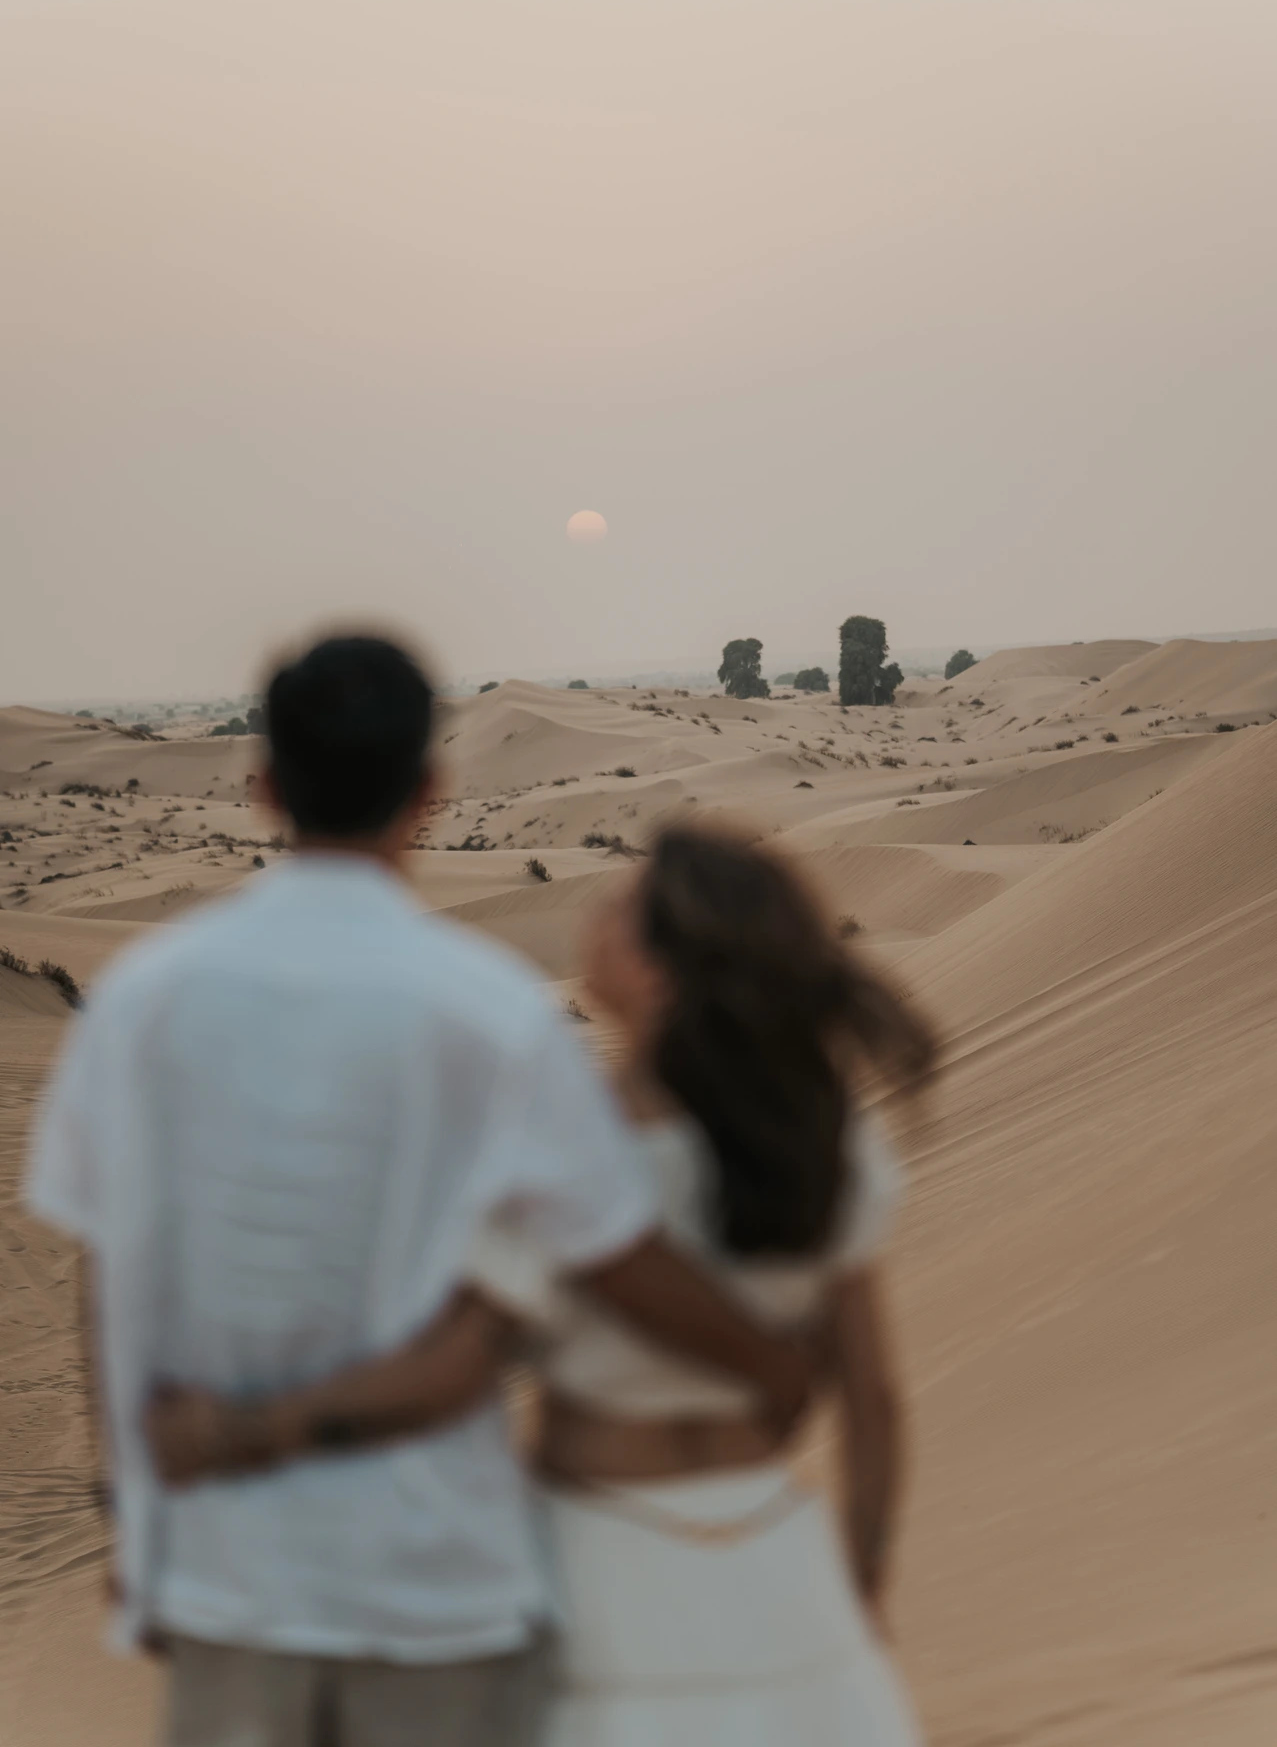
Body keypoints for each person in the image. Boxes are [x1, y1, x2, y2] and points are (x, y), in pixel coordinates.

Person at [25, 636, 812, 1747]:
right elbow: (615, 1254)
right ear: (429, 793)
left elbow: (109, 1281)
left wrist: (137, 1531)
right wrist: (769, 1360)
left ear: (264, 786)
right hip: (434, 1585)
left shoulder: (142, 1002)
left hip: (225, 1581)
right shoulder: (492, 1012)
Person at [147, 822, 937, 1745]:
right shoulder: (826, 1144)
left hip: (600, 1568)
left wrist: (246, 1428)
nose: (595, 912)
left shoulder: (554, 1150)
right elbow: (872, 1399)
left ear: (660, 975)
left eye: (622, 908)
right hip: (779, 1566)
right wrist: (860, 1582)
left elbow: (449, 1373)